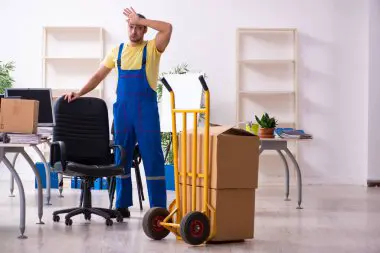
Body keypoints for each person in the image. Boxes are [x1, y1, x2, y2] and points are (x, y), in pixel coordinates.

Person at [64, 7, 173, 218]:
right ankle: (122, 204)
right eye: (131, 27)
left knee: (152, 157)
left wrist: (143, 19)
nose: (134, 31)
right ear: (127, 28)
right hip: (123, 113)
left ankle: (158, 208)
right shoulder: (117, 52)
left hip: (146, 113)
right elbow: (98, 76)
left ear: (145, 31)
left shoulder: (152, 49)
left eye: (138, 28)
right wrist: (79, 92)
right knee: (121, 157)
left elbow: (168, 28)